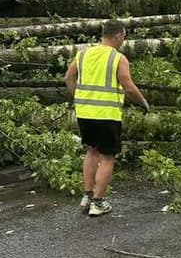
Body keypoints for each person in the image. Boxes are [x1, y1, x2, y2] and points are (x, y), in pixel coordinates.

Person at [64, 20, 149, 217]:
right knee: (108, 157)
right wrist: (143, 102)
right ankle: (98, 202)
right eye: (124, 37)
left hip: (84, 113)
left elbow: (68, 78)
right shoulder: (117, 58)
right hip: (106, 114)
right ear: (118, 36)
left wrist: (78, 96)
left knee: (91, 152)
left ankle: (87, 196)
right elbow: (128, 86)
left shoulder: (83, 53)